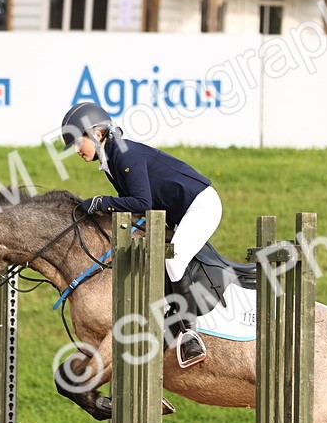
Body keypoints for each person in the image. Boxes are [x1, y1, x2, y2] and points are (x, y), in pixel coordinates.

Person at [60, 102, 219, 368]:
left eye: (78, 142)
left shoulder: (125, 155)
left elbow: (142, 203)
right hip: (177, 212)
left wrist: (100, 202)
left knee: (172, 260)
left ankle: (190, 333)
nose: (77, 150)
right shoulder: (112, 159)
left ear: (97, 134)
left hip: (200, 206)